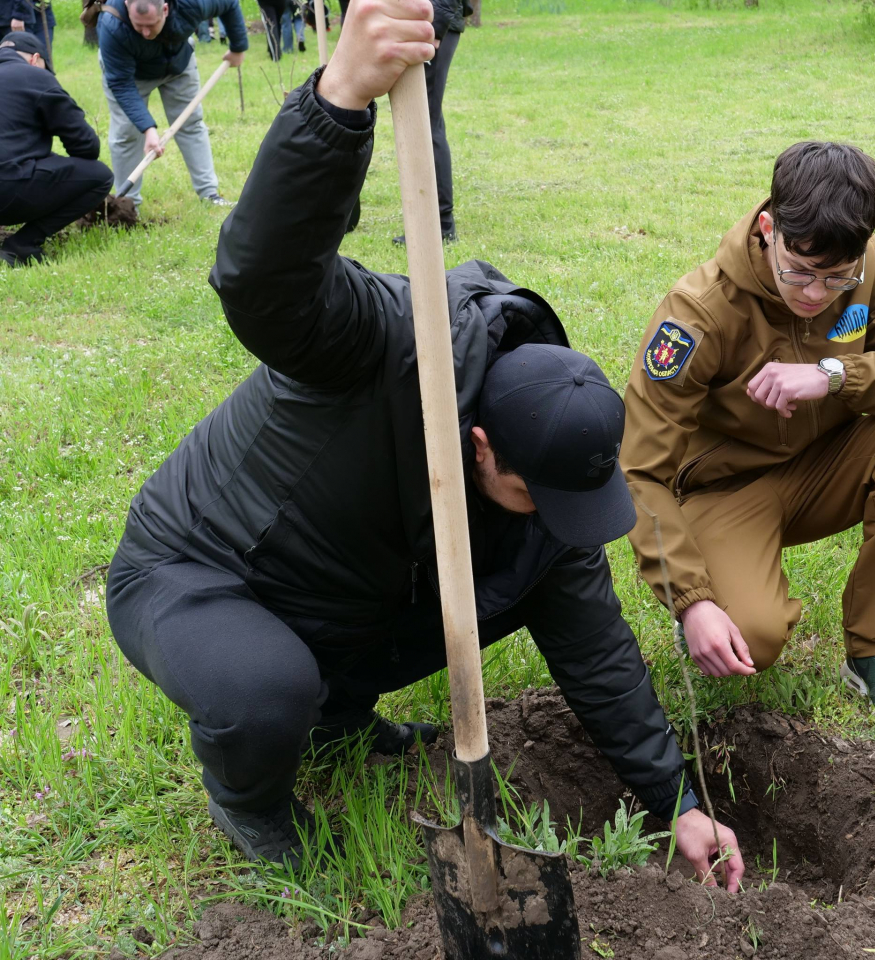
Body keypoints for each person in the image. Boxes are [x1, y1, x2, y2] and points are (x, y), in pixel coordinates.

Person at [105, 0, 744, 890]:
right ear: (482, 448)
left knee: (497, 585)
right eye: (537, 499)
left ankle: (336, 712)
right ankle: (252, 799)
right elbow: (262, 282)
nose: (555, 520)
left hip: (340, 581)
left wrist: (677, 802)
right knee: (266, 691)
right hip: (201, 571)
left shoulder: (550, 468)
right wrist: (337, 100)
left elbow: (596, 654)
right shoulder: (389, 345)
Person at [620, 142, 875, 717]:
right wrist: (691, 599)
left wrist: (837, 375)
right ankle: (719, 599)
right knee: (751, 641)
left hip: (824, 468)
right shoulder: (698, 313)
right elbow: (639, 473)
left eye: (835, 279)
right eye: (799, 271)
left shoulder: (868, 273)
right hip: (725, 491)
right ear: (768, 229)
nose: (814, 294)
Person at [97, 0, 248, 206]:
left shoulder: (192, 3)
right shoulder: (112, 24)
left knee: (191, 123)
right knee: (127, 134)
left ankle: (209, 194)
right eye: (138, 25)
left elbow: (229, 3)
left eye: (151, 24)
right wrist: (148, 128)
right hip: (131, 75)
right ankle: (127, 205)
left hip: (177, 63)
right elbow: (121, 84)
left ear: (165, 9)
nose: (146, 33)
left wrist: (238, 47)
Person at [0, 32, 113, 267]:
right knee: (100, 176)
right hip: (7, 191)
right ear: (35, 59)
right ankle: (21, 246)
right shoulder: (35, 76)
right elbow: (86, 147)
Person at [392, 0, 472, 245]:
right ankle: (432, 217)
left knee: (426, 119)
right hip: (422, 20)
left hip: (434, 21)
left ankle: (441, 223)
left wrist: (435, 28)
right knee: (424, 117)